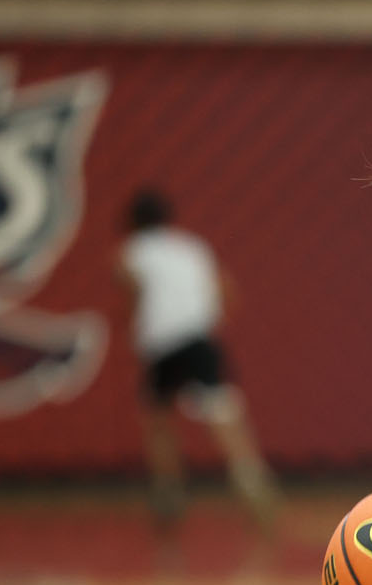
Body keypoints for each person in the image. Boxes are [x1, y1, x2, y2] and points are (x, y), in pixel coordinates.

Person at [116, 188, 279, 529]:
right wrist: (204, 319)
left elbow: (132, 292)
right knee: (223, 415)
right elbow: (225, 290)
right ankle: (253, 484)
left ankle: (168, 493)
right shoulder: (192, 248)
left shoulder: (131, 251)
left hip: (160, 345)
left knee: (159, 419)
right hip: (198, 340)